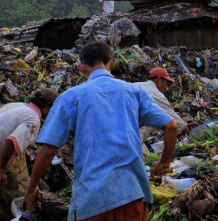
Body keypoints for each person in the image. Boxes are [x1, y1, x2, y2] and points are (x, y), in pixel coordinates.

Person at [24, 41, 177, 221]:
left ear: (80, 66)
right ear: (112, 62)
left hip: (93, 199)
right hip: (133, 193)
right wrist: (164, 162)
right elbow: (171, 126)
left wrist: (31, 187)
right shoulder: (134, 92)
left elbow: (48, 149)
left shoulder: (70, 97)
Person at [0, 88, 58, 220]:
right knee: (9, 190)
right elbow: (11, 141)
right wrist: (1, 169)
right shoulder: (33, 118)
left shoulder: (19, 106)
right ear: (48, 105)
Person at [138, 67, 188, 157]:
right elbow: (176, 123)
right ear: (158, 80)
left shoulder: (135, 85)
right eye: (166, 83)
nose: (166, 88)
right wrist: (186, 128)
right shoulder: (155, 93)